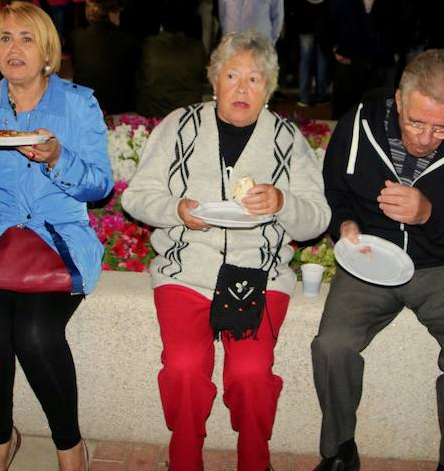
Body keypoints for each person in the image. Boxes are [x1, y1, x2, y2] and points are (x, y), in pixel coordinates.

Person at [122, 31, 330, 471]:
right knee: (183, 367)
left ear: (269, 88)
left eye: (255, 79)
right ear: (214, 79)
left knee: (250, 374)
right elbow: (136, 197)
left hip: (258, 273)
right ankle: (184, 459)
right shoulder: (180, 125)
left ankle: (255, 460)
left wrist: (283, 203)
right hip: (186, 269)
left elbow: (317, 218)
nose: (242, 89)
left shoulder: (286, 138)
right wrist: (177, 210)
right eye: (232, 75)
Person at [313, 49, 444, 471]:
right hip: (370, 257)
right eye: (416, 122)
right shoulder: (360, 122)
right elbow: (334, 188)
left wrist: (428, 215)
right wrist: (344, 224)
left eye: (442, 128)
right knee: (331, 345)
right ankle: (339, 451)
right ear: (398, 99)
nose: (425, 138)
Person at [0, 1, 113, 471]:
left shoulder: (78, 103)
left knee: (36, 334)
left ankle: (69, 445)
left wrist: (58, 157)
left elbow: (100, 185)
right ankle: (0, 438)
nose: (14, 48)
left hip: (57, 237)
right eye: (4, 38)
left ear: (46, 52)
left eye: (26, 38)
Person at [322, 0, 395, 119]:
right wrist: (334, 50)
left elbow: (402, 31)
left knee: (379, 116)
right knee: (345, 115)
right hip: (349, 69)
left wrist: (395, 53)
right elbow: (325, 30)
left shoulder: (393, 1)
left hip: (380, 70)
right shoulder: (341, 1)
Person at [70, 0, 141, 114]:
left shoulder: (76, 37)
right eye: (118, 11)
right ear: (112, 14)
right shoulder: (128, 40)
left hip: (84, 103)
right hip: (118, 106)